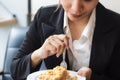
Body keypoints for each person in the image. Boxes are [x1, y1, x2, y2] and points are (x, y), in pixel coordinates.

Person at [10, 0, 120, 80]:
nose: (76, 8)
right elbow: (16, 71)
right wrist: (39, 53)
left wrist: (92, 77)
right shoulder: (43, 17)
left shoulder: (116, 24)